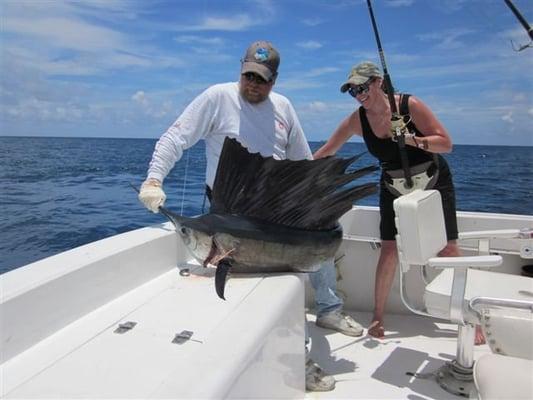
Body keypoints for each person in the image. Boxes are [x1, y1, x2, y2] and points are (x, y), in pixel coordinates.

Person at [138, 41, 361, 392]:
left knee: (321, 255)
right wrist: (154, 178)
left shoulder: (283, 108)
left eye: (262, 80)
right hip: (228, 215)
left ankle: (329, 309)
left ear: (275, 81)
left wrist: (318, 206)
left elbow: (301, 159)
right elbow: (175, 138)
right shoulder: (216, 98)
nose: (253, 85)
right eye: (248, 77)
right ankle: (298, 358)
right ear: (239, 70)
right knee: (280, 285)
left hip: (277, 213)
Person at [314, 61, 485, 345]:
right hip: (393, 184)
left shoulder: (410, 105)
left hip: (433, 180)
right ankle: (378, 315)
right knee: (389, 249)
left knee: (449, 247)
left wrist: (411, 140)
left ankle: (469, 317)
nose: (358, 94)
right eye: (352, 91)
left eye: (362, 87)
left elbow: (446, 144)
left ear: (378, 82)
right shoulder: (356, 120)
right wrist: (299, 172)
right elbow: (328, 150)